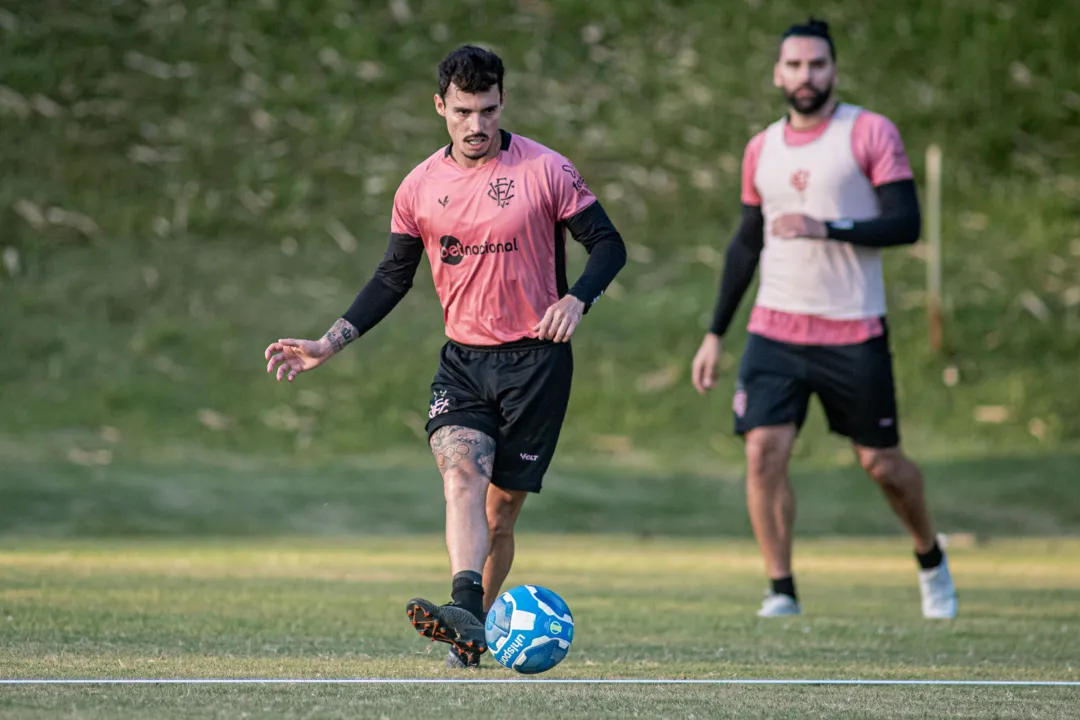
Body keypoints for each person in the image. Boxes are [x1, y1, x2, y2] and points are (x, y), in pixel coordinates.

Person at [264, 45, 626, 665]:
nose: (476, 125)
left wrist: (577, 300)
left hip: (537, 363)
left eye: (487, 110)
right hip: (464, 363)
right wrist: (328, 342)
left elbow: (609, 246)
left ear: (502, 101)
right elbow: (391, 279)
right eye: (462, 111)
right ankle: (462, 600)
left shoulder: (546, 171)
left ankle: (472, 628)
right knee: (461, 476)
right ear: (440, 107)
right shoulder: (419, 187)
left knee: (502, 514)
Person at [690, 18, 958, 619]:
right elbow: (745, 242)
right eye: (794, 65)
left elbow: (905, 223)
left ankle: (930, 558)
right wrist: (714, 334)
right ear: (777, 73)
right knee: (763, 451)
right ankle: (781, 590)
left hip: (853, 330)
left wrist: (826, 227)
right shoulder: (762, 147)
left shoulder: (869, 133)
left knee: (882, 465)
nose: (805, 76)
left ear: (833, 70)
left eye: (816, 65)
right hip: (774, 330)